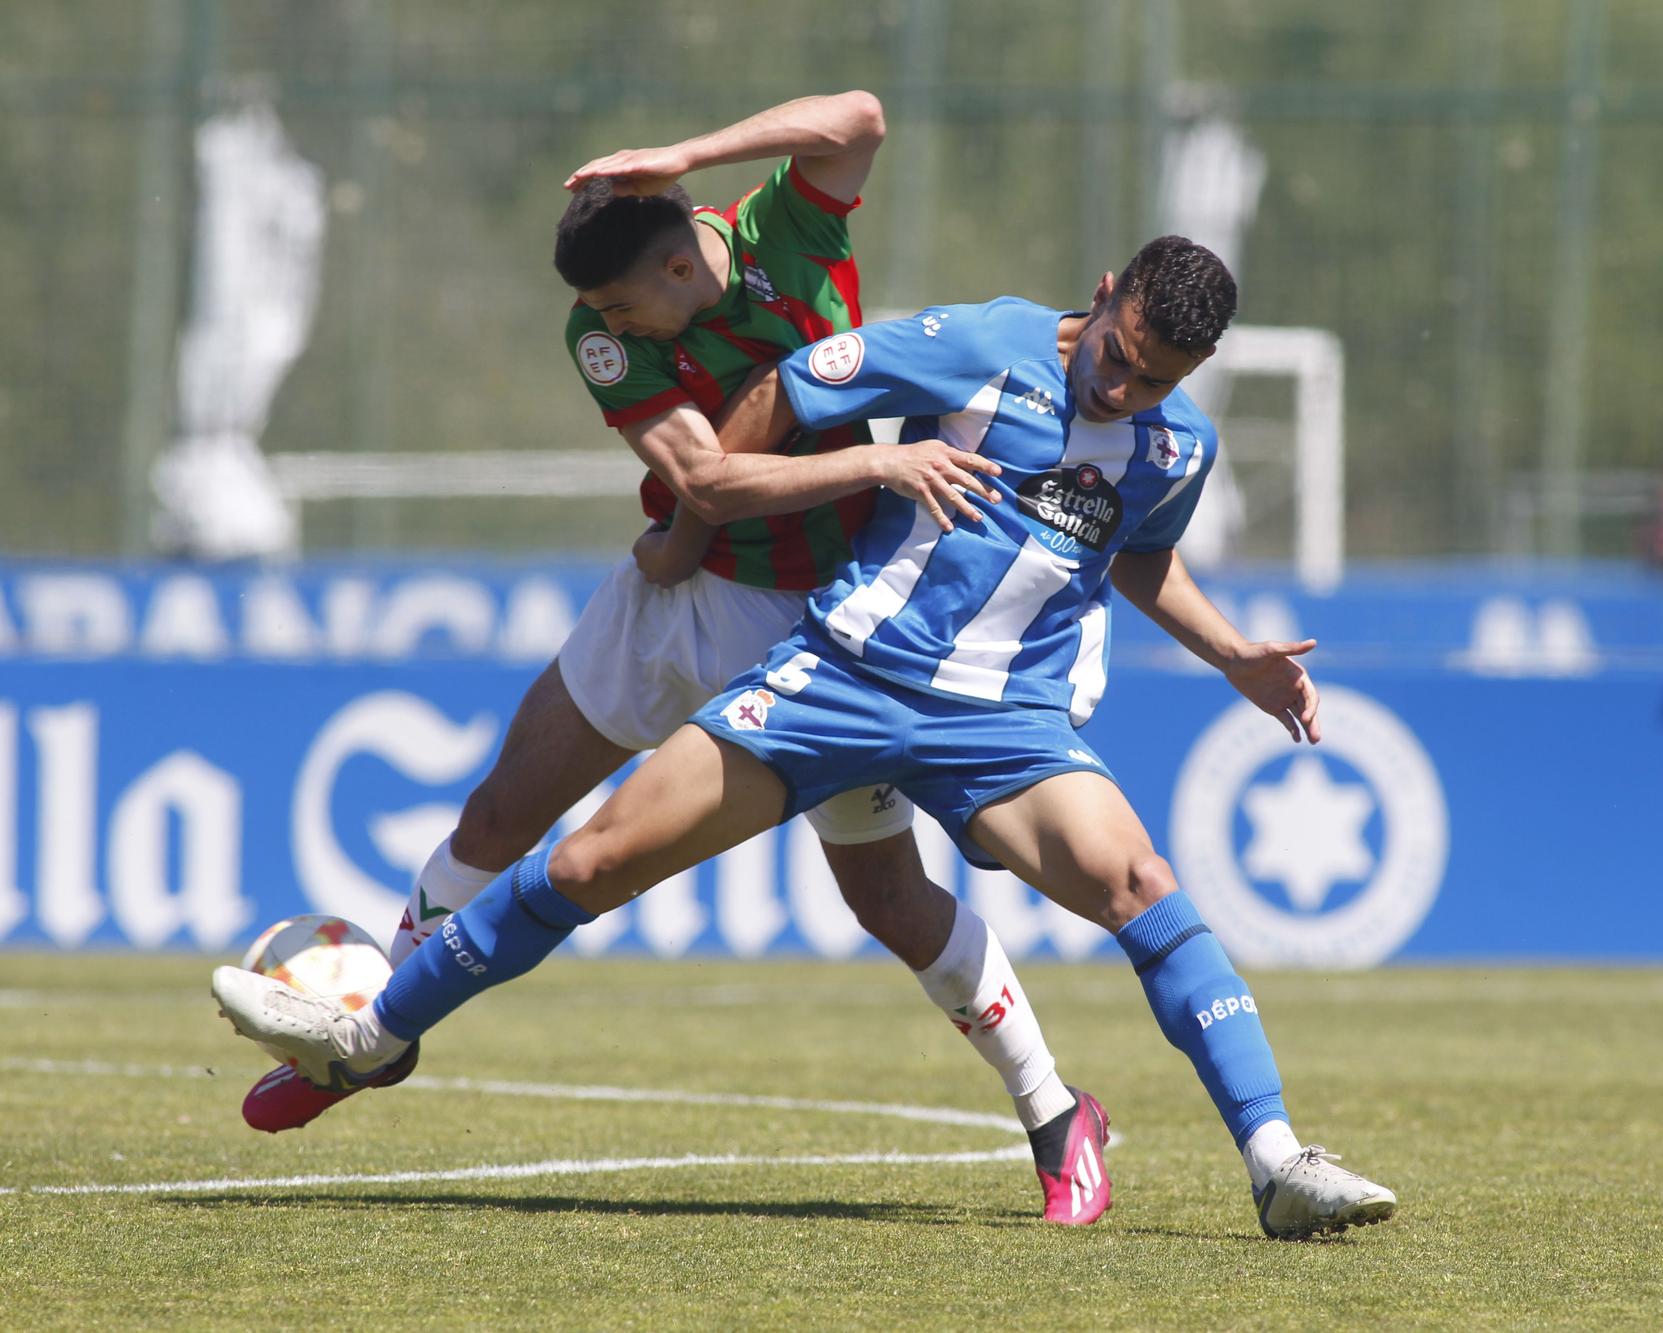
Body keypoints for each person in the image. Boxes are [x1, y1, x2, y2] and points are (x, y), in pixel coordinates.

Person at [214, 236, 1398, 1240]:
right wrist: (707, 497)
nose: (1123, 393)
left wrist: (1230, 651)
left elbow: (1136, 553)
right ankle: (367, 1039)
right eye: (1118, 359)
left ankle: (1275, 1162)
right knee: (586, 862)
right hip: (839, 673)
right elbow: (798, 383)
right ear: (1099, 295)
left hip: (1003, 722)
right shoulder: (980, 343)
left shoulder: (1171, 447)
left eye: (1158, 380)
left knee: (1139, 883)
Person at [237, 90, 1112, 1226]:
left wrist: (687, 152)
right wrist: (859, 474)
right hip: (674, 596)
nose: (604, 327)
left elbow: (858, 114)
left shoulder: (786, 232)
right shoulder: (597, 328)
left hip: (827, 626)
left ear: (679, 261)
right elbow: (701, 480)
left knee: (890, 899)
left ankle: (1054, 1111)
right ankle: (376, 1043)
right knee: (503, 811)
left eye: (619, 300)